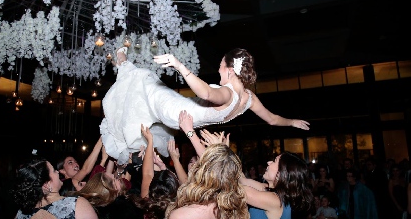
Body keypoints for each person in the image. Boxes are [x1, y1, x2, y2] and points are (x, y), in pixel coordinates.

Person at [100, 47, 310, 164]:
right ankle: (121, 65)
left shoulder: (227, 94)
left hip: (175, 111)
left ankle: (122, 61)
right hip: (179, 112)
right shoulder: (249, 98)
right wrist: (292, 122)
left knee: (144, 79)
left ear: (229, 70)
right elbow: (272, 119)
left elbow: (206, 92)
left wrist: (179, 65)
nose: (218, 71)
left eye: (220, 67)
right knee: (145, 91)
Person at [165, 143, 249, 219]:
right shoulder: (237, 210)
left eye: (198, 162)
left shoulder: (180, 216)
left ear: (201, 171)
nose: (194, 165)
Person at [12, 157, 98, 219]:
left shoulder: (20, 214)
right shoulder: (75, 205)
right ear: (47, 184)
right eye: (53, 171)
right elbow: (86, 169)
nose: (57, 172)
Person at [239, 152, 314, 219]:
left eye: (274, 161)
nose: (269, 162)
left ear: (281, 173)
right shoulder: (269, 190)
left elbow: (238, 190)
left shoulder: (276, 200)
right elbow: (242, 179)